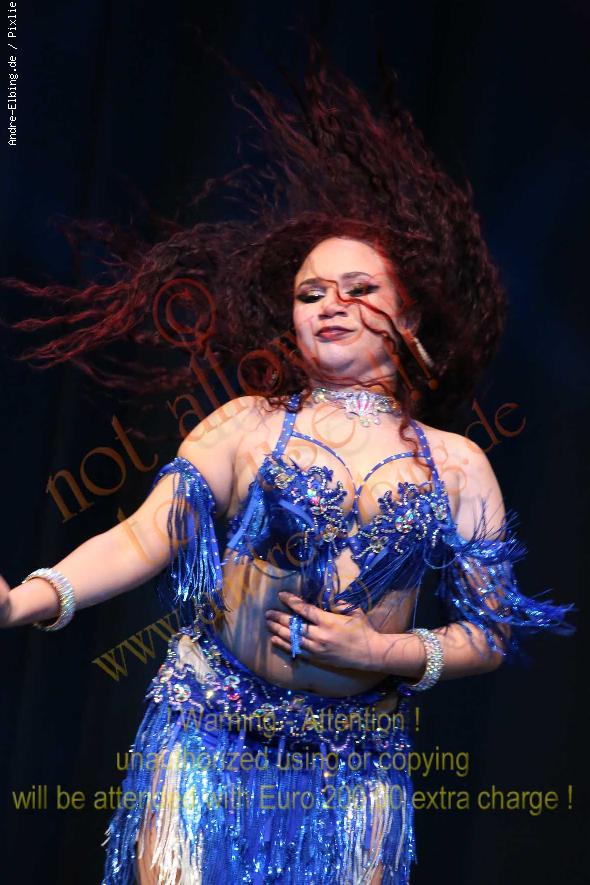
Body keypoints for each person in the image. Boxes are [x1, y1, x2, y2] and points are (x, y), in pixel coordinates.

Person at [0, 37, 575, 885]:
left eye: (360, 289)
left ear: (410, 317)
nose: (330, 304)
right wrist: (27, 598)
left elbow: (490, 634)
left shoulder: (457, 465)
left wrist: (383, 653)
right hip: (209, 739)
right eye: (311, 293)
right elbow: (142, 536)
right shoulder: (247, 425)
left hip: (355, 767)